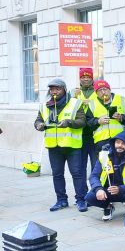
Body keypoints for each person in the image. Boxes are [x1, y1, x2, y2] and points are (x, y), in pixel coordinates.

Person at [34, 78, 89, 212]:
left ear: (64, 89)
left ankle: (81, 200)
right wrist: (39, 125)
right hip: (54, 147)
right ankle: (61, 200)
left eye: (57, 89)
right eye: (52, 89)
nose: (54, 91)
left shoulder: (75, 103)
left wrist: (68, 122)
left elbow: (82, 122)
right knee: (57, 175)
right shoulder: (44, 105)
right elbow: (37, 121)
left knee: (77, 174)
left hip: (72, 146)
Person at [85, 130, 125, 220]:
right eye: (117, 142)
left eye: (123, 143)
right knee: (89, 197)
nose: (120, 145)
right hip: (108, 190)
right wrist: (98, 189)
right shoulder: (104, 156)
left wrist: (120, 189)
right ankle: (108, 207)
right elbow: (94, 176)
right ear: (113, 143)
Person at [86, 80, 125, 151]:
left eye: (105, 89)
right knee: (103, 161)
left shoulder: (122, 100)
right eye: (99, 90)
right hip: (101, 141)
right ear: (96, 93)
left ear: (109, 90)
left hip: (120, 139)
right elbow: (87, 122)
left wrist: (121, 117)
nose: (103, 92)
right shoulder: (91, 104)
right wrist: (98, 121)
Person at [75, 67, 99, 184]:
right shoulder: (74, 92)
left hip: (95, 133)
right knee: (80, 167)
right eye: (83, 77)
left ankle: (96, 191)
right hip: (80, 134)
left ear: (92, 78)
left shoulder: (98, 90)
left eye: (88, 77)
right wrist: (76, 99)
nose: (85, 79)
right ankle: (82, 194)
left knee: (96, 166)